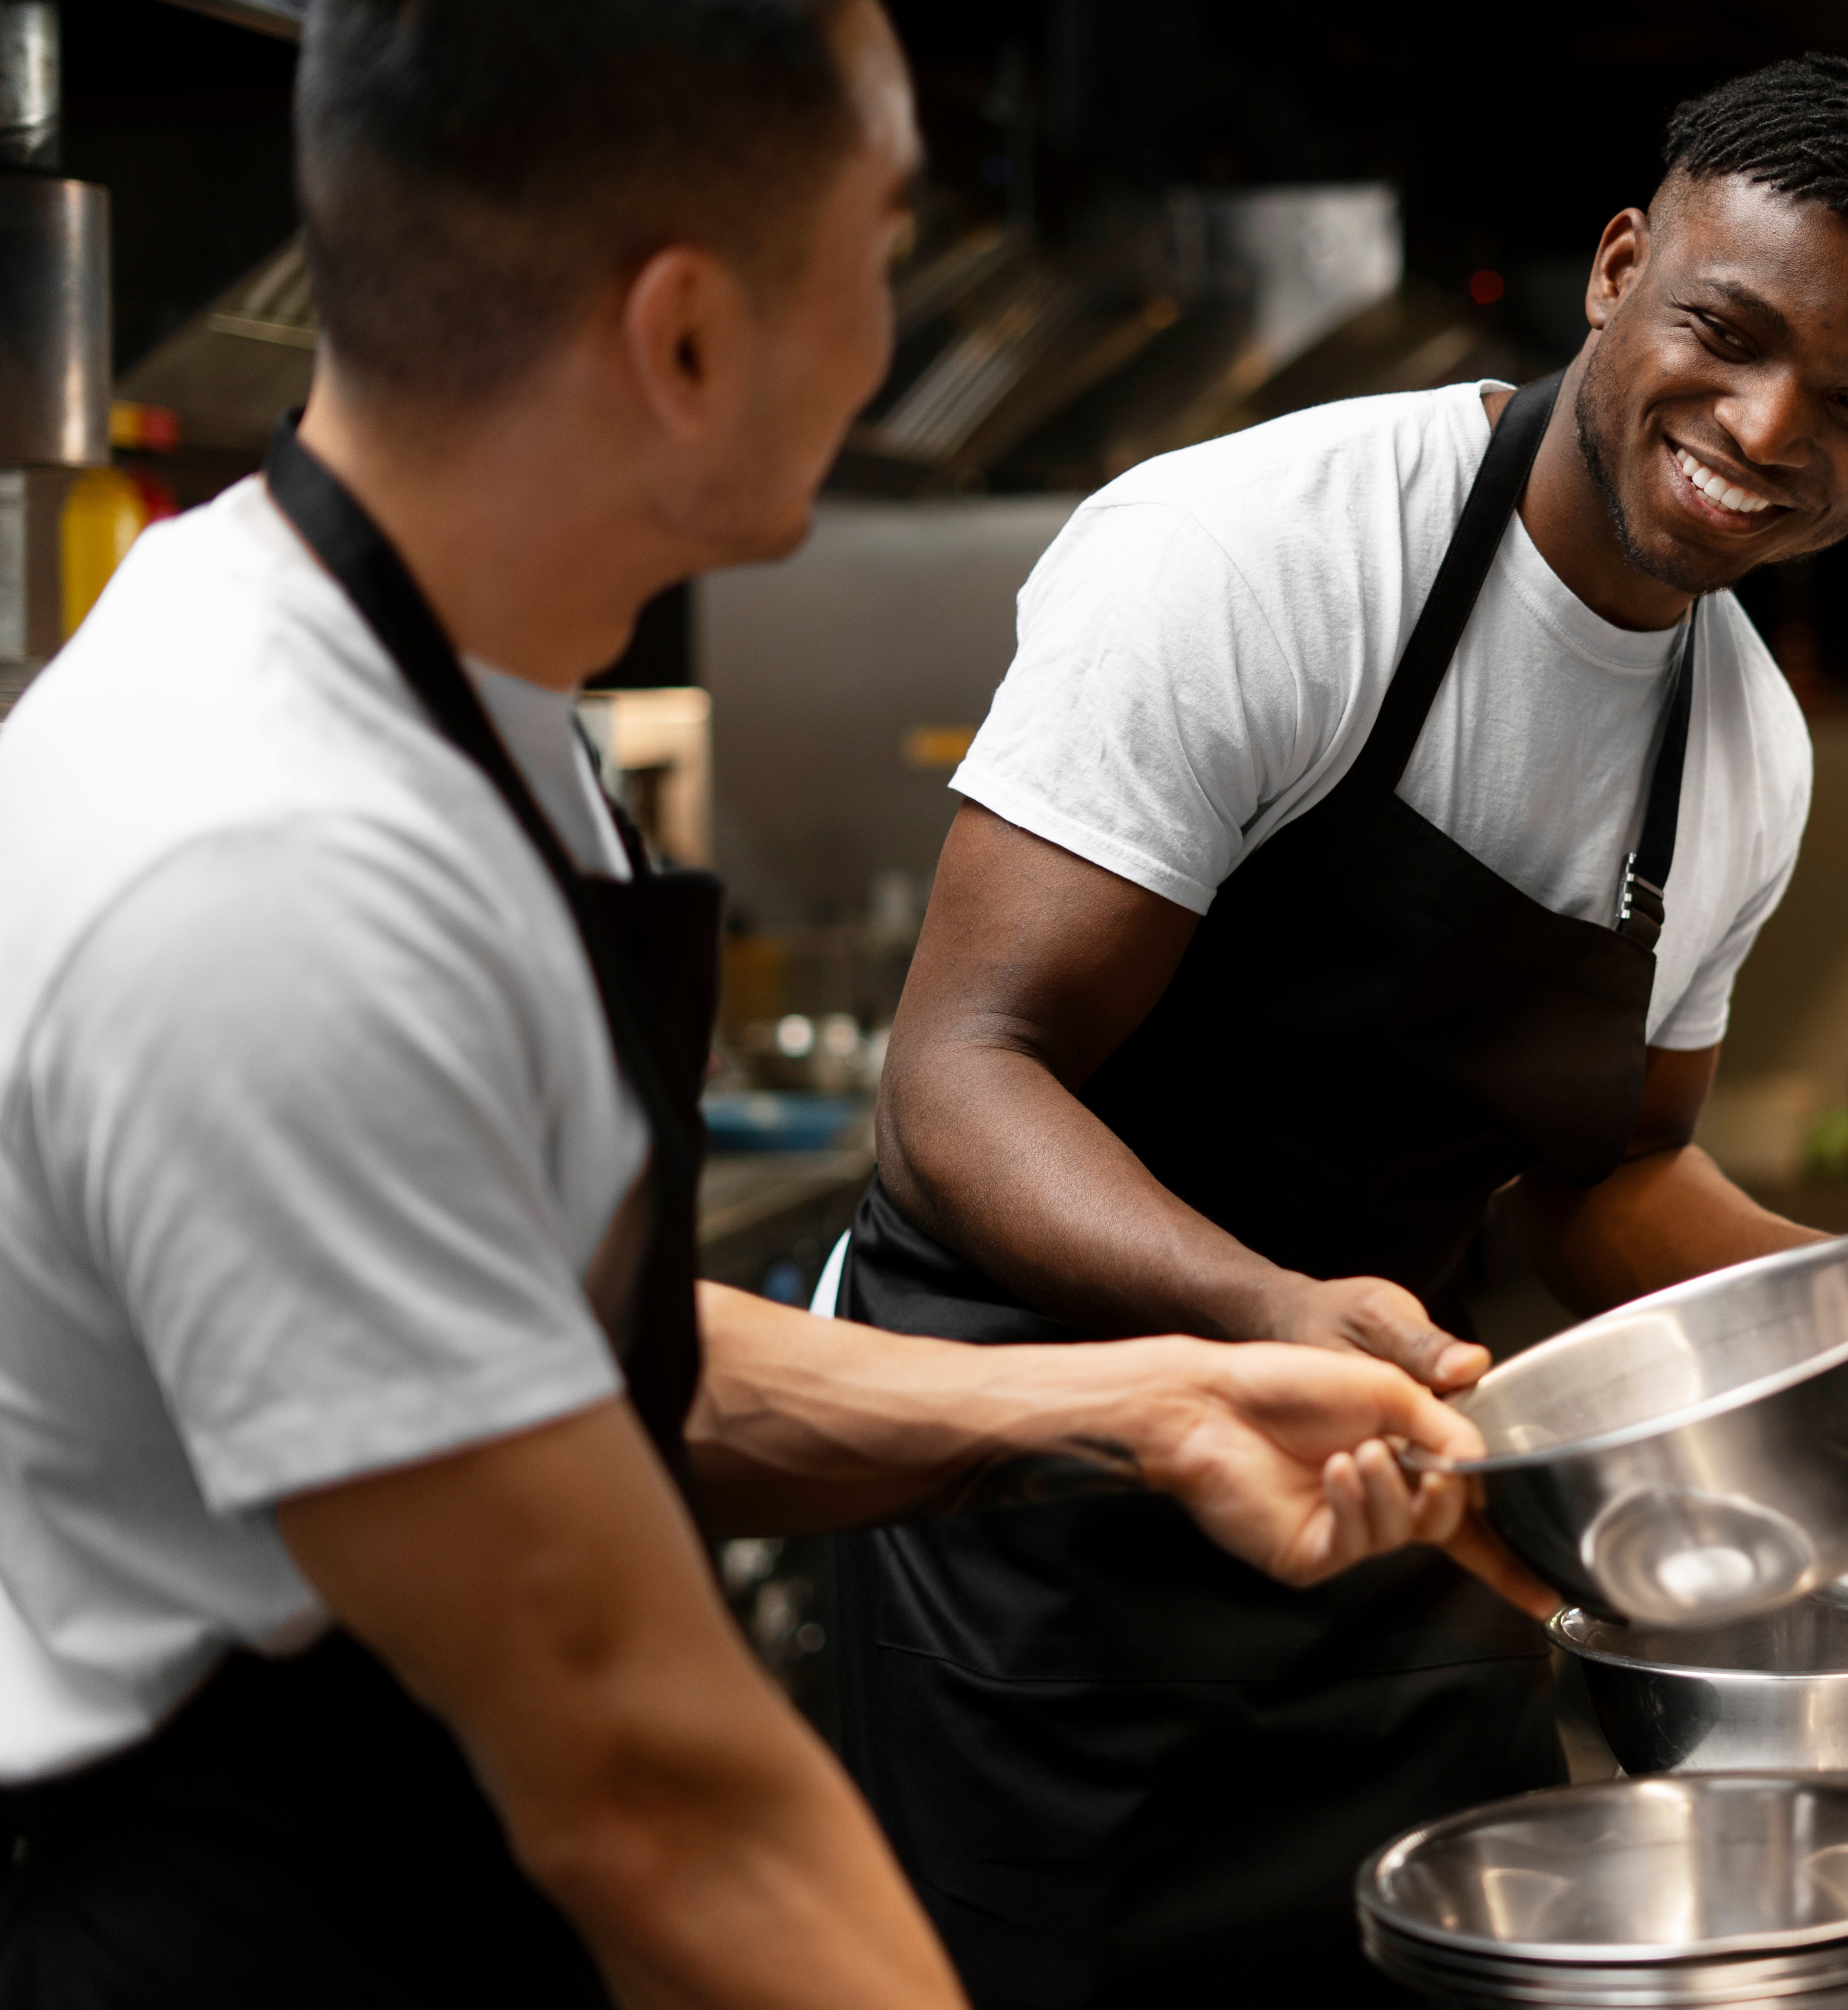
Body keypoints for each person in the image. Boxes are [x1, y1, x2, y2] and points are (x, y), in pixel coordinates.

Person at [0, 4, 1507, 2006]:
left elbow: (571, 1366)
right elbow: (652, 1784)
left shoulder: (478, 716)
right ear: (689, 335)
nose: (898, 330)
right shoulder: (274, 861)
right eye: (883, 248)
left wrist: (1141, 1398)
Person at [837, 52, 1848, 2008]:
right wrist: (1267, 1307)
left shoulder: (1744, 744)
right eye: (1726, 335)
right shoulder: (1260, 556)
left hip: (1383, 1517)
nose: (1763, 428)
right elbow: (960, 1079)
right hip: (1047, 1545)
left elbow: (1605, 1170)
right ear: (1618, 265)